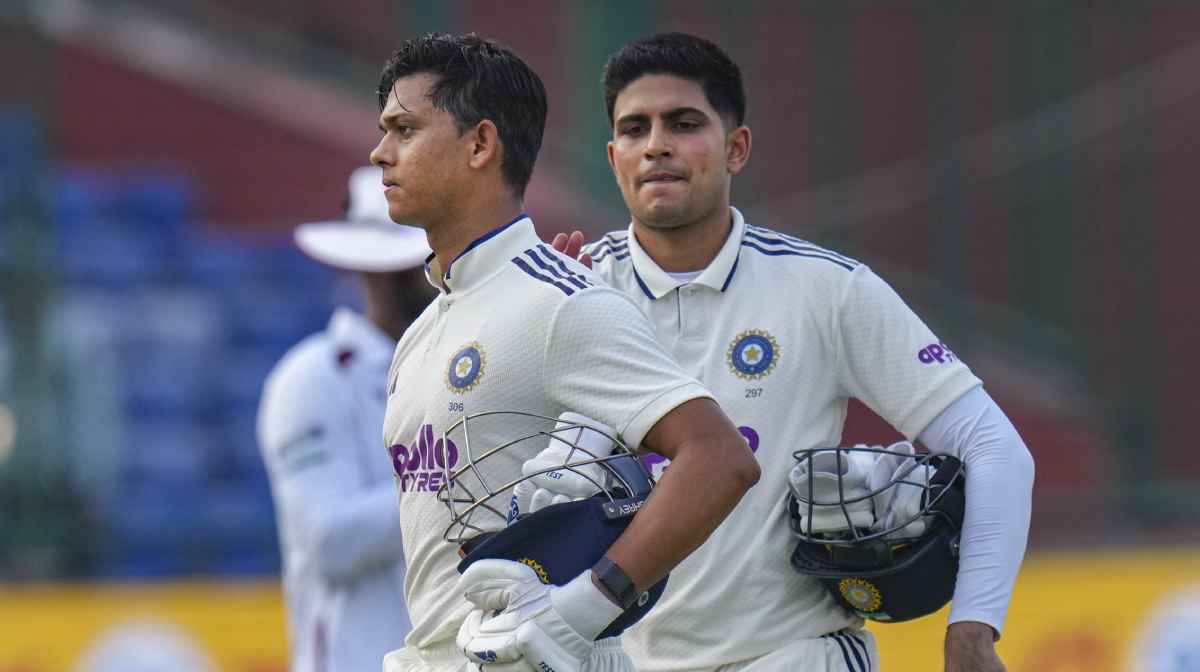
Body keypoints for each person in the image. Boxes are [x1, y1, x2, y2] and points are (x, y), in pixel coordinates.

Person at [545, 32, 1034, 672]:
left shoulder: (826, 288)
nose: (656, 144)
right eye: (635, 129)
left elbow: (994, 447)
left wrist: (972, 629)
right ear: (614, 158)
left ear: (737, 147)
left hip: (794, 655)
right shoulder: (567, 291)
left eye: (684, 123)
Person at [368, 33, 760, 672]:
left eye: (405, 130)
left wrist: (584, 608)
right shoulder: (422, 331)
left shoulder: (562, 301)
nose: (380, 152)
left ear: (480, 144)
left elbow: (720, 459)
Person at [257, 165, 433, 672]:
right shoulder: (313, 378)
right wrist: (459, 476)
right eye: (417, 263)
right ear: (372, 270)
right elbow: (330, 541)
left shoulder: (470, 370)